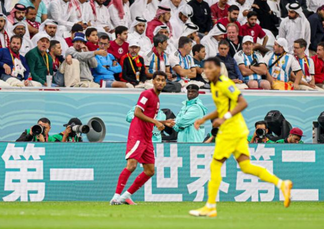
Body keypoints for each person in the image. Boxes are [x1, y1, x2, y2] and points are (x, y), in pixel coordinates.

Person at [189, 57, 292, 217]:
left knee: (215, 165)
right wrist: (204, 119)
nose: (206, 71)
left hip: (230, 131)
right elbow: (222, 108)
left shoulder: (225, 83)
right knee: (246, 166)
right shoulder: (214, 85)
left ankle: (210, 206)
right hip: (237, 130)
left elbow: (242, 103)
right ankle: (281, 184)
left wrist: (224, 118)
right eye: (205, 68)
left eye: (210, 68)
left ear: (218, 69)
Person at [111, 71, 176, 205]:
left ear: (165, 83)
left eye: (162, 80)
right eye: (158, 80)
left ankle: (125, 197)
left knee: (150, 171)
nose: (160, 82)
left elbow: (149, 118)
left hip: (147, 137)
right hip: (138, 134)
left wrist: (164, 122)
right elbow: (137, 112)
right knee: (132, 165)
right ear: (153, 81)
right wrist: (156, 122)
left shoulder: (157, 99)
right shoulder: (147, 94)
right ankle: (115, 197)